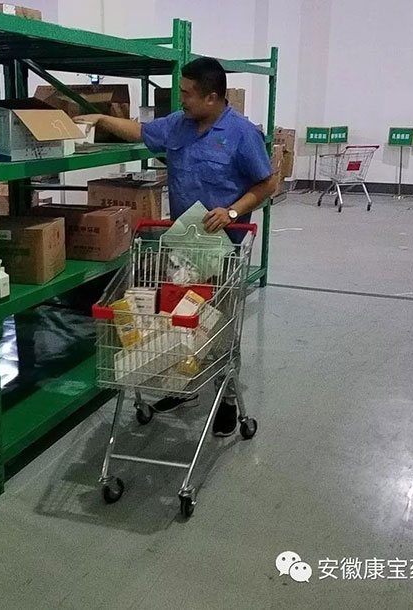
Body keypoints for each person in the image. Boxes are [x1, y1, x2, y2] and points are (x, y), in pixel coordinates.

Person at [75, 56, 277, 437]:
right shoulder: (177, 126)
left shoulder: (241, 134)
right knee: (178, 324)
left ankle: (226, 398)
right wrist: (101, 119)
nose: (180, 99)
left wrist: (233, 211)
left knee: (219, 328)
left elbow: (268, 183)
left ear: (212, 97)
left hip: (223, 250)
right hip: (182, 245)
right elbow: (139, 131)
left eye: (186, 93)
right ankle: (183, 386)